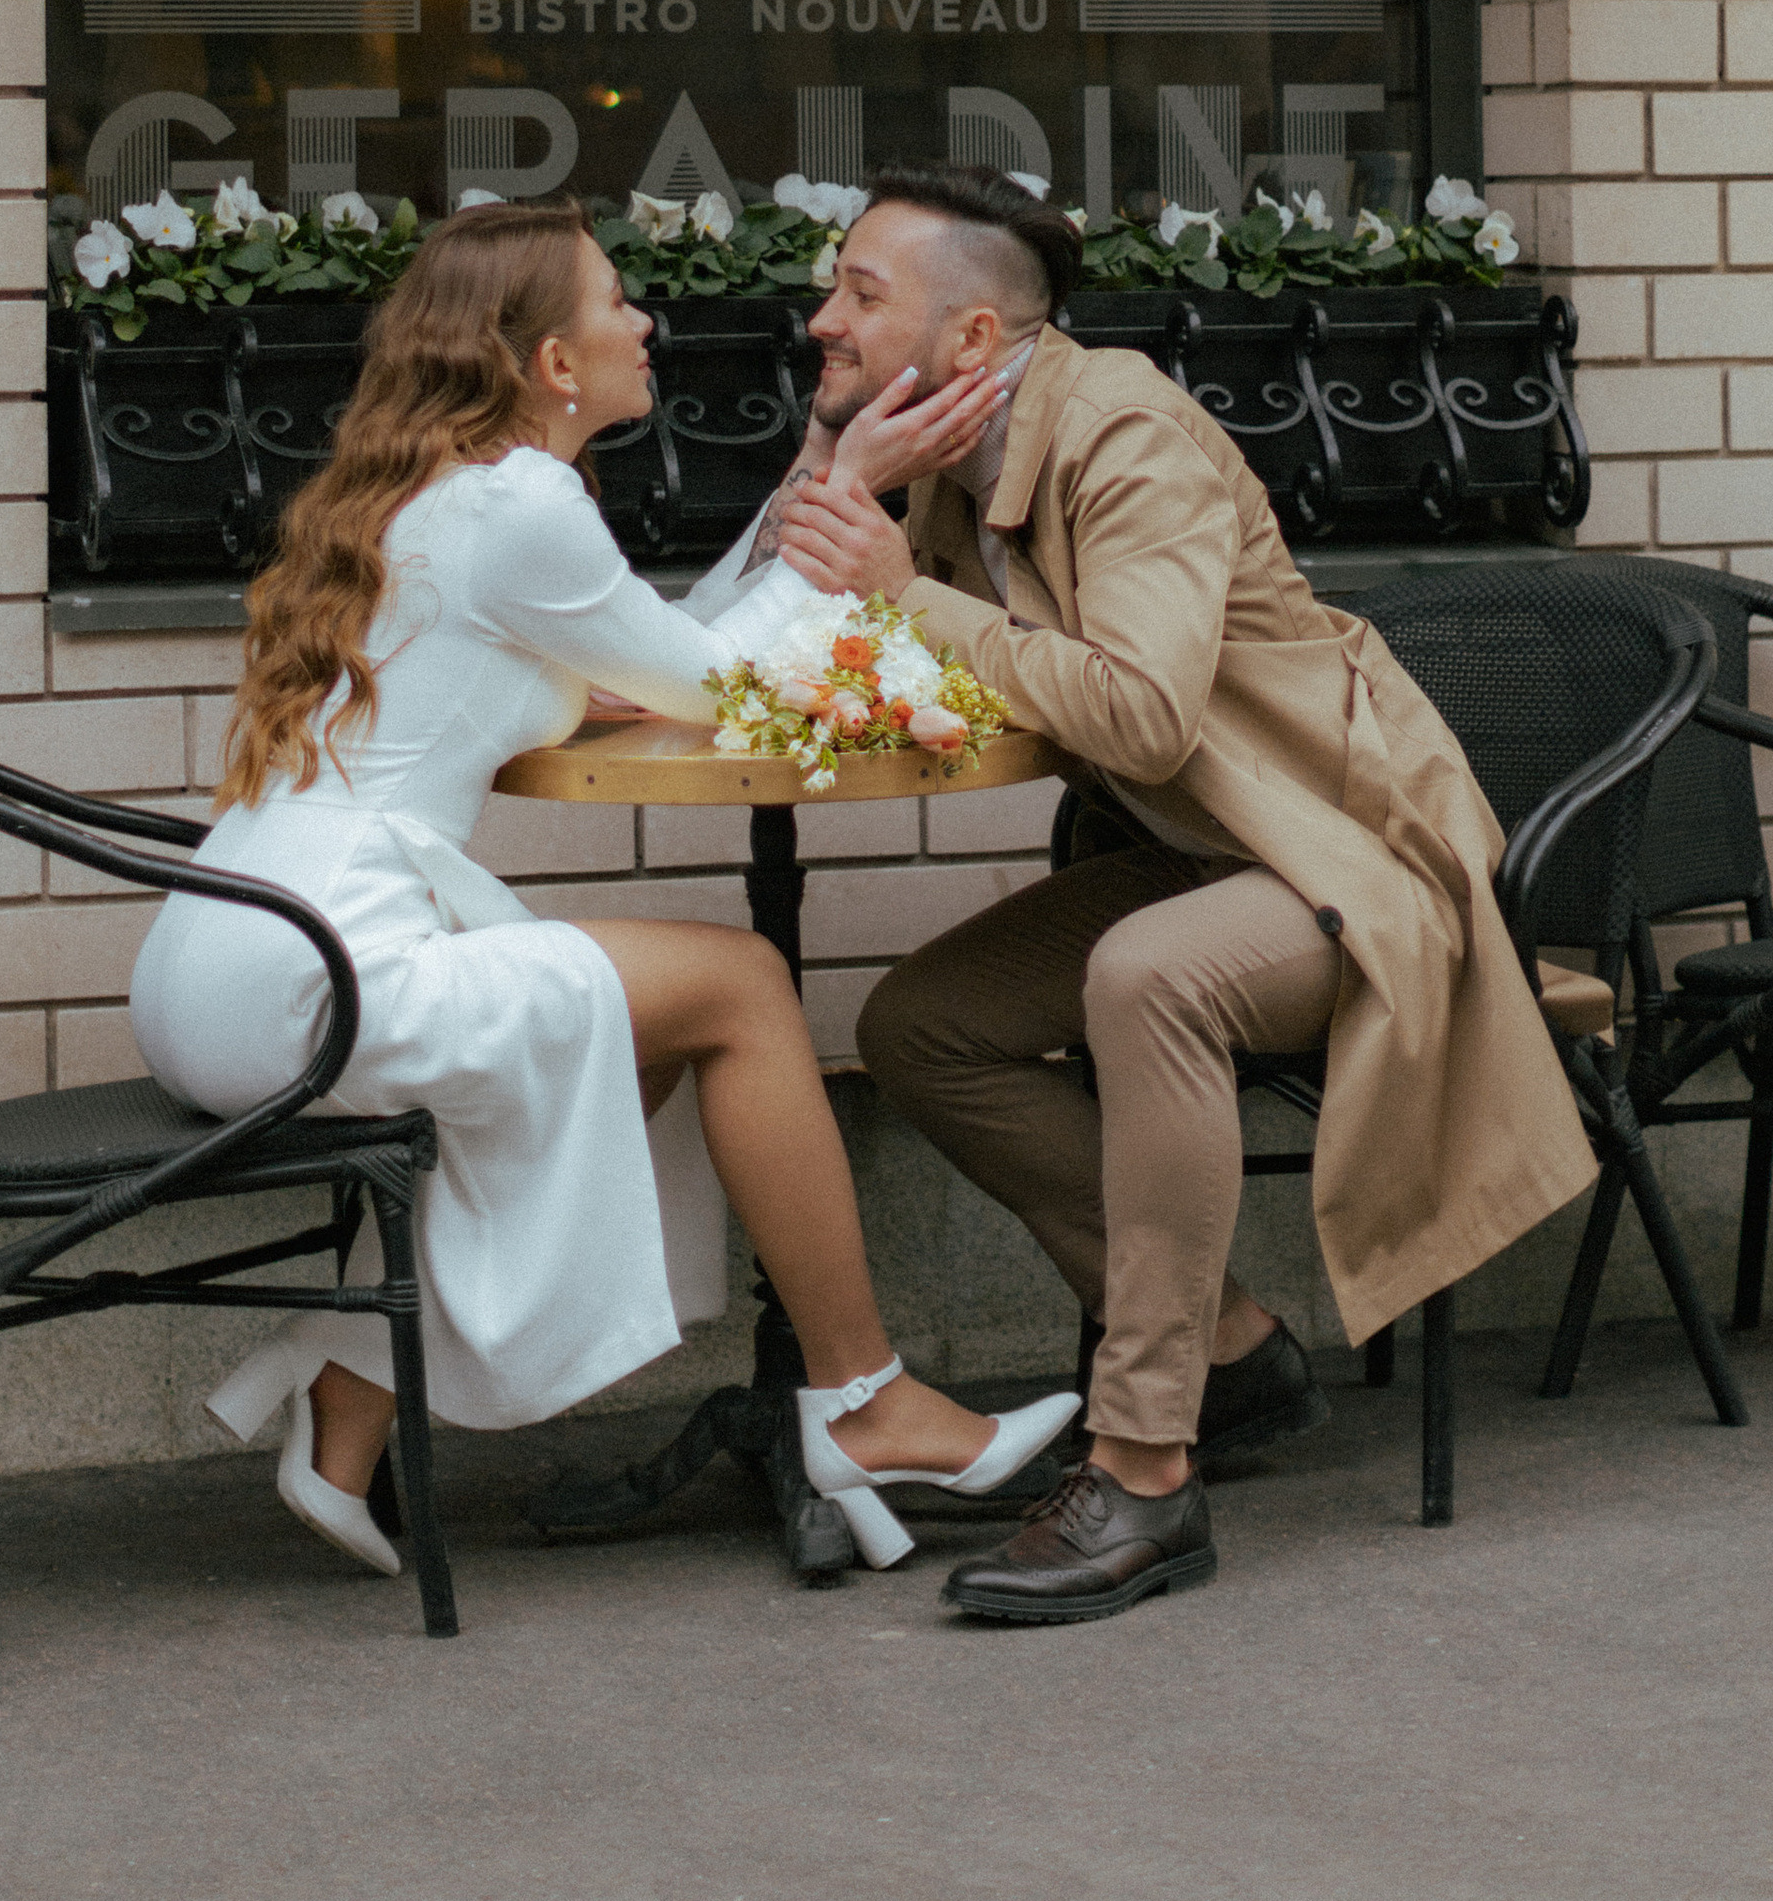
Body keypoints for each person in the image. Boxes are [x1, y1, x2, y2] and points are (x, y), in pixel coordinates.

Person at [699, 163, 1595, 1627]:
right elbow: (747, 644)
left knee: (1148, 977)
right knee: (927, 1023)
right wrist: (833, 463)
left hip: (1342, 856)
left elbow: (1144, 721)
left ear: (975, 341)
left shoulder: (1125, 437)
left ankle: (1146, 1464)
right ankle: (1230, 1353)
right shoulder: (928, 447)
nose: (821, 320)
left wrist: (900, 591)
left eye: (860, 295)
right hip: (1204, 853)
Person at [128, 196, 1075, 1579]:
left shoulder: (451, 490)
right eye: (618, 300)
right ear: (553, 366)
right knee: (743, 986)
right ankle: (863, 1403)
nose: (647, 320)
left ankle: (350, 1402)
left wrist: (821, 465)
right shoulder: (520, 502)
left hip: (225, 961)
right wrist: (855, 491)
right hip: (315, 974)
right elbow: (722, 680)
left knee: (613, 1042)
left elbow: (662, 651)